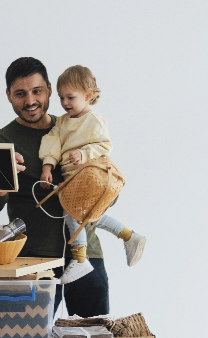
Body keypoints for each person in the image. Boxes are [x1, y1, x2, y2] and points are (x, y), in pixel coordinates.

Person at [0, 57, 108, 318]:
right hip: (33, 259)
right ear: (8, 95)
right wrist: (3, 181)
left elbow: (108, 192)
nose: (30, 101)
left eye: (37, 91)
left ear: (50, 88)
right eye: (20, 94)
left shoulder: (80, 127)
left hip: (87, 255)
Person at [38, 65, 146, 284]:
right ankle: (127, 235)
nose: (65, 103)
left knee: (73, 215)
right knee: (88, 216)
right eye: (61, 98)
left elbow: (104, 146)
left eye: (70, 97)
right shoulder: (62, 122)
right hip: (70, 180)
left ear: (88, 95)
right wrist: (47, 166)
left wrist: (84, 153)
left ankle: (80, 258)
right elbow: (53, 142)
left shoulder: (94, 120)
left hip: (88, 178)